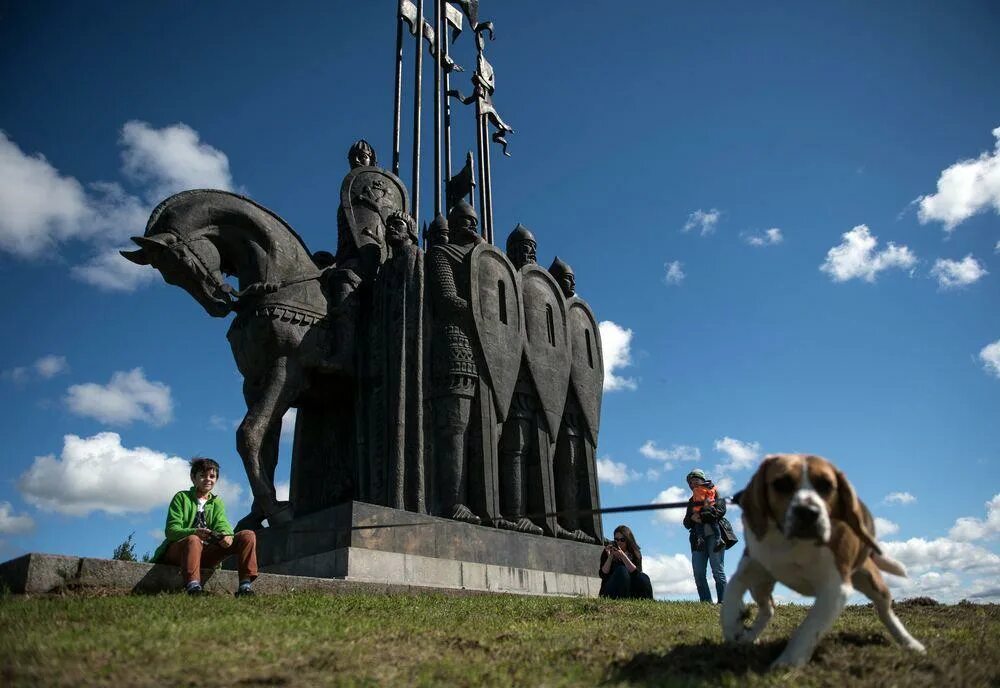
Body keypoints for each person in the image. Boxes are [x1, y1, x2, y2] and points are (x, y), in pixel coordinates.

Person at [151, 457, 259, 596]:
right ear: (193, 478)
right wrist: (195, 532)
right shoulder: (181, 498)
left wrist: (227, 535)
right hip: (179, 551)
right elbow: (171, 531)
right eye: (202, 476)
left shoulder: (217, 502)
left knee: (247, 535)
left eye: (212, 476)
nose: (208, 479)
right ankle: (193, 586)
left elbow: (222, 523)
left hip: (206, 553)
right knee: (193, 539)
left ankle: (245, 586)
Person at [683, 469, 727, 603]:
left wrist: (701, 516)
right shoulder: (691, 501)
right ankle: (706, 602)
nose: (692, 484)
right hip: (698, 540)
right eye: (690, 482)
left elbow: (720, 511)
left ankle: (723, 602)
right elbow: (686, 522)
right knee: (699, 572)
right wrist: (692, 518)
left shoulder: (714, 492)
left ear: (702, 480)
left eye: (695, 480)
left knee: (717, 570)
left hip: (715, 536)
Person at [598, 525, 653, 599]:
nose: (619, 542)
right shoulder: (607, 552)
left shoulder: (635, 553)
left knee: (644, 577)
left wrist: (623, 556)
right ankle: (622, 600)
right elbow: (603, 574)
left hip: (630, 589)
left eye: (622, 540)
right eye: (616, 540)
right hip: (610, 590)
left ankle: (647, 601)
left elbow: (636, 573)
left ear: (628, 540)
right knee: (621, 570)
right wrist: (610, 556)